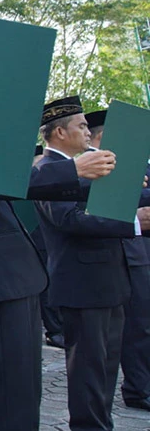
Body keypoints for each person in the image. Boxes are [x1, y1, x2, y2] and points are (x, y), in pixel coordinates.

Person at [34, 96, 150, 431]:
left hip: (108, 282)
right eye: (82, 125)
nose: (89, 132)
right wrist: (136, 223)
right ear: (58, 132)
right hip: (82, 286)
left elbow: (116, 197)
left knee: (105, 371)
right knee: (88, 373)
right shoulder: (47, 170)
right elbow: (70, 219)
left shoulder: (83, 164)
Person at [86, 109, 150, 411]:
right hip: (100, 260)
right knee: (106, 339)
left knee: (141, 326)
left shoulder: (125, 165)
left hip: (133, 254)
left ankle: (139, 386)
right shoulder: (84, 167)